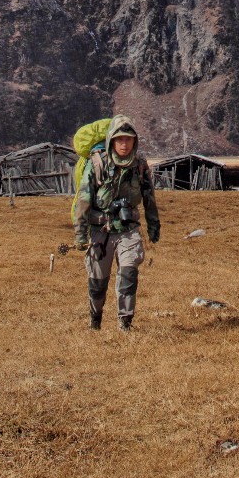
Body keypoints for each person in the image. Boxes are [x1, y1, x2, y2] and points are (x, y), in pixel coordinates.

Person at [74, 115, 160, 330]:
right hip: (99, 230)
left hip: (128, 229)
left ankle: (125, 323)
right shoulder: (97, 163)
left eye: (128, 139)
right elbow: (84, 200)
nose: (124, 144)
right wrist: (80, 234)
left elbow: (149, 197)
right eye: (120, 139)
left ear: (135, 141)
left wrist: (153, 225)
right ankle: (95, 319)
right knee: (98, 281)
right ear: (112, 140)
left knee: (129, 272)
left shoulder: (139, 165)